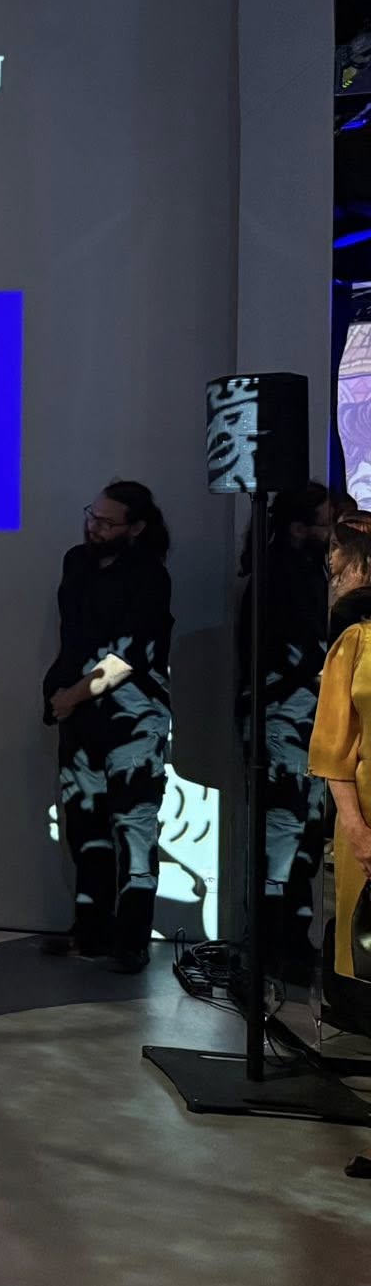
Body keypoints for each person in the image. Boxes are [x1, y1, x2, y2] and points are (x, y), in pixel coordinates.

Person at [40, 481, 174, 973]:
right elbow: (74, 638)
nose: (92, 526)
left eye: (105, 521)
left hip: (133, 719)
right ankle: (90, 932)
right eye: (91, 515)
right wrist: (61, 695)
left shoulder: (151, 576)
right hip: (79, 718)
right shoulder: (76, 562)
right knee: (84, 826)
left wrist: (72, 695)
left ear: (135, 528)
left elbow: (130, 657)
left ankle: (132, 940)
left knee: (134, 828)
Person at [236, 481, 335, 982]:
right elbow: (301, 655)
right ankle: (268, 951)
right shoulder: (280, 578)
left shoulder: (301, 572)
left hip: (301, 720)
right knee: (283, 835)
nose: (332, 533)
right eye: (326, 523)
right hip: (284, 721)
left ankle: (290, 947)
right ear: (299, 528)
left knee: (304, 835)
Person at [306, 513, 371, 1179]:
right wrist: (354, 828)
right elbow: (331, 750)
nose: (333, 579)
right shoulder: (353, 641)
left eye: (337, 566)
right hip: (368, 831)